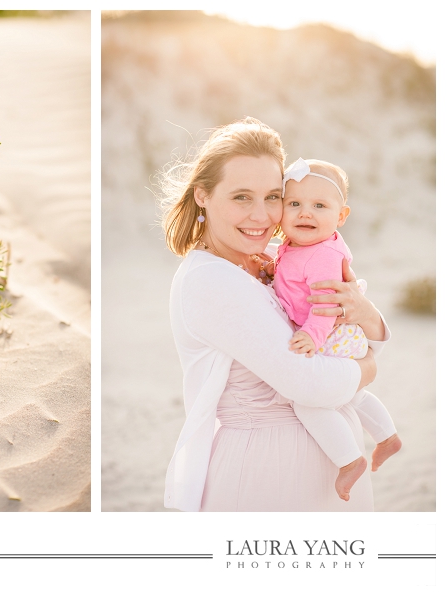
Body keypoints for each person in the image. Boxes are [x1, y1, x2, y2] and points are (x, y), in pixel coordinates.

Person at [159, 117, 390, 512]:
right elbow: (308, 383)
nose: (262, 216)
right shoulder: (209, 280)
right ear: (202, 195)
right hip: (269, 472)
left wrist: (367, 315)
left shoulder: (272, 263)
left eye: (272, 197)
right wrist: (369, 368)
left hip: (327, 466)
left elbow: (348, 341)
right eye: (241, 197)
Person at [275, 157, 402, 501]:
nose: (305, 213)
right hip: (342, 336)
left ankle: (349, 461)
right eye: (295, 204)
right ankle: (387, 437)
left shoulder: (323, 255)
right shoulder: (303, 245)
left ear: (341, 216)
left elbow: (326, 304)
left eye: (319, 205)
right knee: (354, 393)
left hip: (332, 333)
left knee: (307, 402)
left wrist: (312, 336)